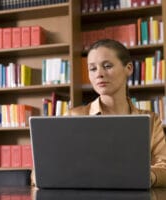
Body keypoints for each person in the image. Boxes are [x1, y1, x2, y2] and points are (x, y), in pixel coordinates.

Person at [68, 39, 166, 187]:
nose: (99, 74)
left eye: (107, 66)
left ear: (129, 68)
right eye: (92, 69)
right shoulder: (74, 117)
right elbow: (41, 172)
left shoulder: (150, 120)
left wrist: (146, 177)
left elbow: (164, 168)